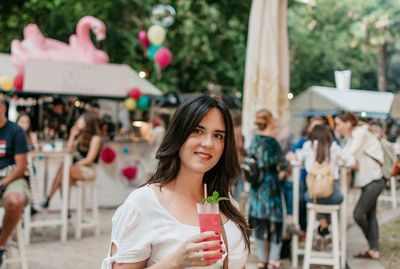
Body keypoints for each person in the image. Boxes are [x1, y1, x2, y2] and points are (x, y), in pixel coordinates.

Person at [102, 95, 250, 269]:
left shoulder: (225, 202)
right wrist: (176, 261)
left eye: (218, 135)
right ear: (178, 135)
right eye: (197, 131)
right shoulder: (143, 205)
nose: (208, 143)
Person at [286, 124, 355, 249]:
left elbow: (296, 156)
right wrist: (337, 163)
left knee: (315, 198)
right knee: (334, 198)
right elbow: (351, 161)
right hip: (332, 194)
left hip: (312, 194)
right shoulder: (334, 147)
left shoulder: (308, 146)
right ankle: (325, 227)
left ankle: (322, 225)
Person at [335, 112, 384, 260]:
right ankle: (373, 249)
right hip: (369, 179)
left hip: (374, 178)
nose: (337, 128)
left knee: (358, 214)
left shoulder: (360, 134)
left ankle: (373, 245)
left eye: (338, 124)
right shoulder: (353, 135)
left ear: (348, 123)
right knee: (370, 215)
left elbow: (347, 155)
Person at [40, 113, 102, 208]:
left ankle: (49, 198)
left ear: (87, 123)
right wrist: (72, 135)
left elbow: (89, 160)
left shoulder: (96, 138)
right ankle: (65, 209)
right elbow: (69, 148)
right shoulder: (81, 136)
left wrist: (76, 165)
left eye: (80, 120)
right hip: (78, 169)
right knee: (63, 177)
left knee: (64, 171)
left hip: (89, 170)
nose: (77, 122)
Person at [248, 109, 284, 269]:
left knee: (259, 223)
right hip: (271, 186)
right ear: (270, 121)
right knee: (276, 223)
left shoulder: (254, 140)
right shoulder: (272, 142)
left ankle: (262, 259)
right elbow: (282, 164)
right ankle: (274, 260)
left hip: (256, 187)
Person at [0, 96, 30, 266]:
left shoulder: (15, 131)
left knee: (15, 200)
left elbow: (20, 167)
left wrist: (3, 183)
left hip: (12, 176)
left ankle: (1, 244)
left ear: (3, 109)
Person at [143, 109, 170, 179]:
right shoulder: (169, 130)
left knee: (149, 175)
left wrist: (149, 135)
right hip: (164, 154)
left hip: (155, 154)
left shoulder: (158, 130)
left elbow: (151, 143)